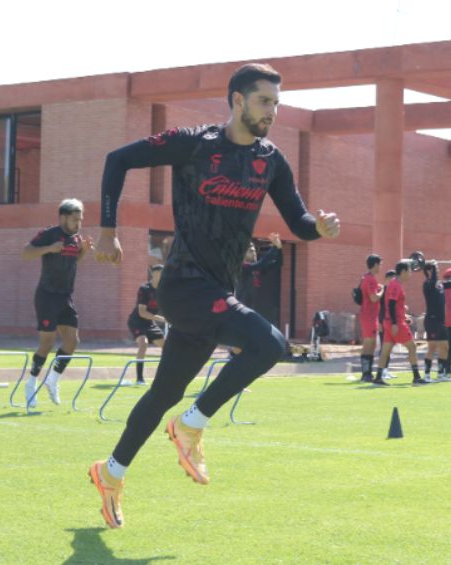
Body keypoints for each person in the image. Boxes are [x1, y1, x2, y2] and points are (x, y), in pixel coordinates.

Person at [88, 63, 341, 529]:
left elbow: (299, 220)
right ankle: (192, 423)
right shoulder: (195, 144)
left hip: (216, 293)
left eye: (277, 104)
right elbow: (116, 159)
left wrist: (319, 229)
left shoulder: (271, 160)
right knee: (269, 344)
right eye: (265, 101)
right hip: (183, 286)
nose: (273, 112)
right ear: (238, 100)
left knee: (165, 392)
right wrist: (108, 230)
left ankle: (110, 473)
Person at [20, 199, 93, 408]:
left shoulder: (76, 238)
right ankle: (31, 382)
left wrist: (84, 251)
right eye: (74, 219)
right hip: (46, 295)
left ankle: (52, 380)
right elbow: (26, 253)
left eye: (80, 219)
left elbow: (72, 260)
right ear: (62, 217)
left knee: (72, 341)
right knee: (48, 343)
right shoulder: (49, 234)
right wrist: (50, 248)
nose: (78, 223)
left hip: (65, 296)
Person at [229, 232, 283, 357]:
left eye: (254, 249)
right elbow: (261, 264)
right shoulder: (242, 267)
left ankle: (237, 356)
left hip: (252, 311)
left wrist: (279, 249)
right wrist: (274, 247)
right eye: (249, 250)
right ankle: (233, 355)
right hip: (240, 311)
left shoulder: (255, 270)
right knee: (241, 344)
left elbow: (277, 264)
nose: (253, 251)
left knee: (251, 342)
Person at [373, 261, 426, 387]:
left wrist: (403, 317)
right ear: (402, 272)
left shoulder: (393, 284)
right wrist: (396, 323)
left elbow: (393, 306)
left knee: (385, 351)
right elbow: (391, 304)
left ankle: (378, 378)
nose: (410, 274)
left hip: (389, 322)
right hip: (394, 323)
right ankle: (416, 377)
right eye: (409, 271)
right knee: (412, 347)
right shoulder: (396, 285)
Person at [127, 265, 166, 385]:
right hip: (137, 321)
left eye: (162, 272)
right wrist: (161, 319)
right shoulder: (144, 288)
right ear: (152, 273)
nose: (160, 274)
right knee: (143, 344)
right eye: (158, 272)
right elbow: (142, 312)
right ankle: (139, 378)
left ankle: (164, 377)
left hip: (150, 323)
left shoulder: (163, 289)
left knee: (167, 348)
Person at [421, 262, 451, 382]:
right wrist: (433, 267)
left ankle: (441, 374)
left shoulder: (440, 285)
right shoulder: (427, 284)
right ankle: (427, 375)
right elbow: (433, 280)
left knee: (445, 347)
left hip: (441, 321)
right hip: (431, 320)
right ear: (429, 271)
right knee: (432, 348)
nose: (437, 271)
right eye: (435, 270)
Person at [357, 254, 384, 383]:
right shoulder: (370, 279)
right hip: (369, 315)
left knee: (370, 343)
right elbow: (374, 298)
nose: (381, 267)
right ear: (375, 265)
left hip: (367, 314)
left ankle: (366, 373)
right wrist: (382, 291)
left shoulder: (366, 277)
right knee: (370, 343)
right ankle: (366, 374)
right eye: (380, 264)